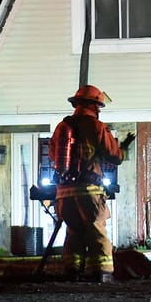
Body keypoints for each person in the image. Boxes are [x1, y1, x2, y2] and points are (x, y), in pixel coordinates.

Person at [50, 84, 133, 283]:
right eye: (98, 106)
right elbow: (114, 156)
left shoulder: (62, 127)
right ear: (93, 105)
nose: (99, 110)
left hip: (64, 192)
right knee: (97, 231)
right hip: (89, 191)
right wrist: (123, 148)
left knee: (74, 232)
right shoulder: (96, 126)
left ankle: (72, 271)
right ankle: (102, 272)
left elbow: (53, 155)